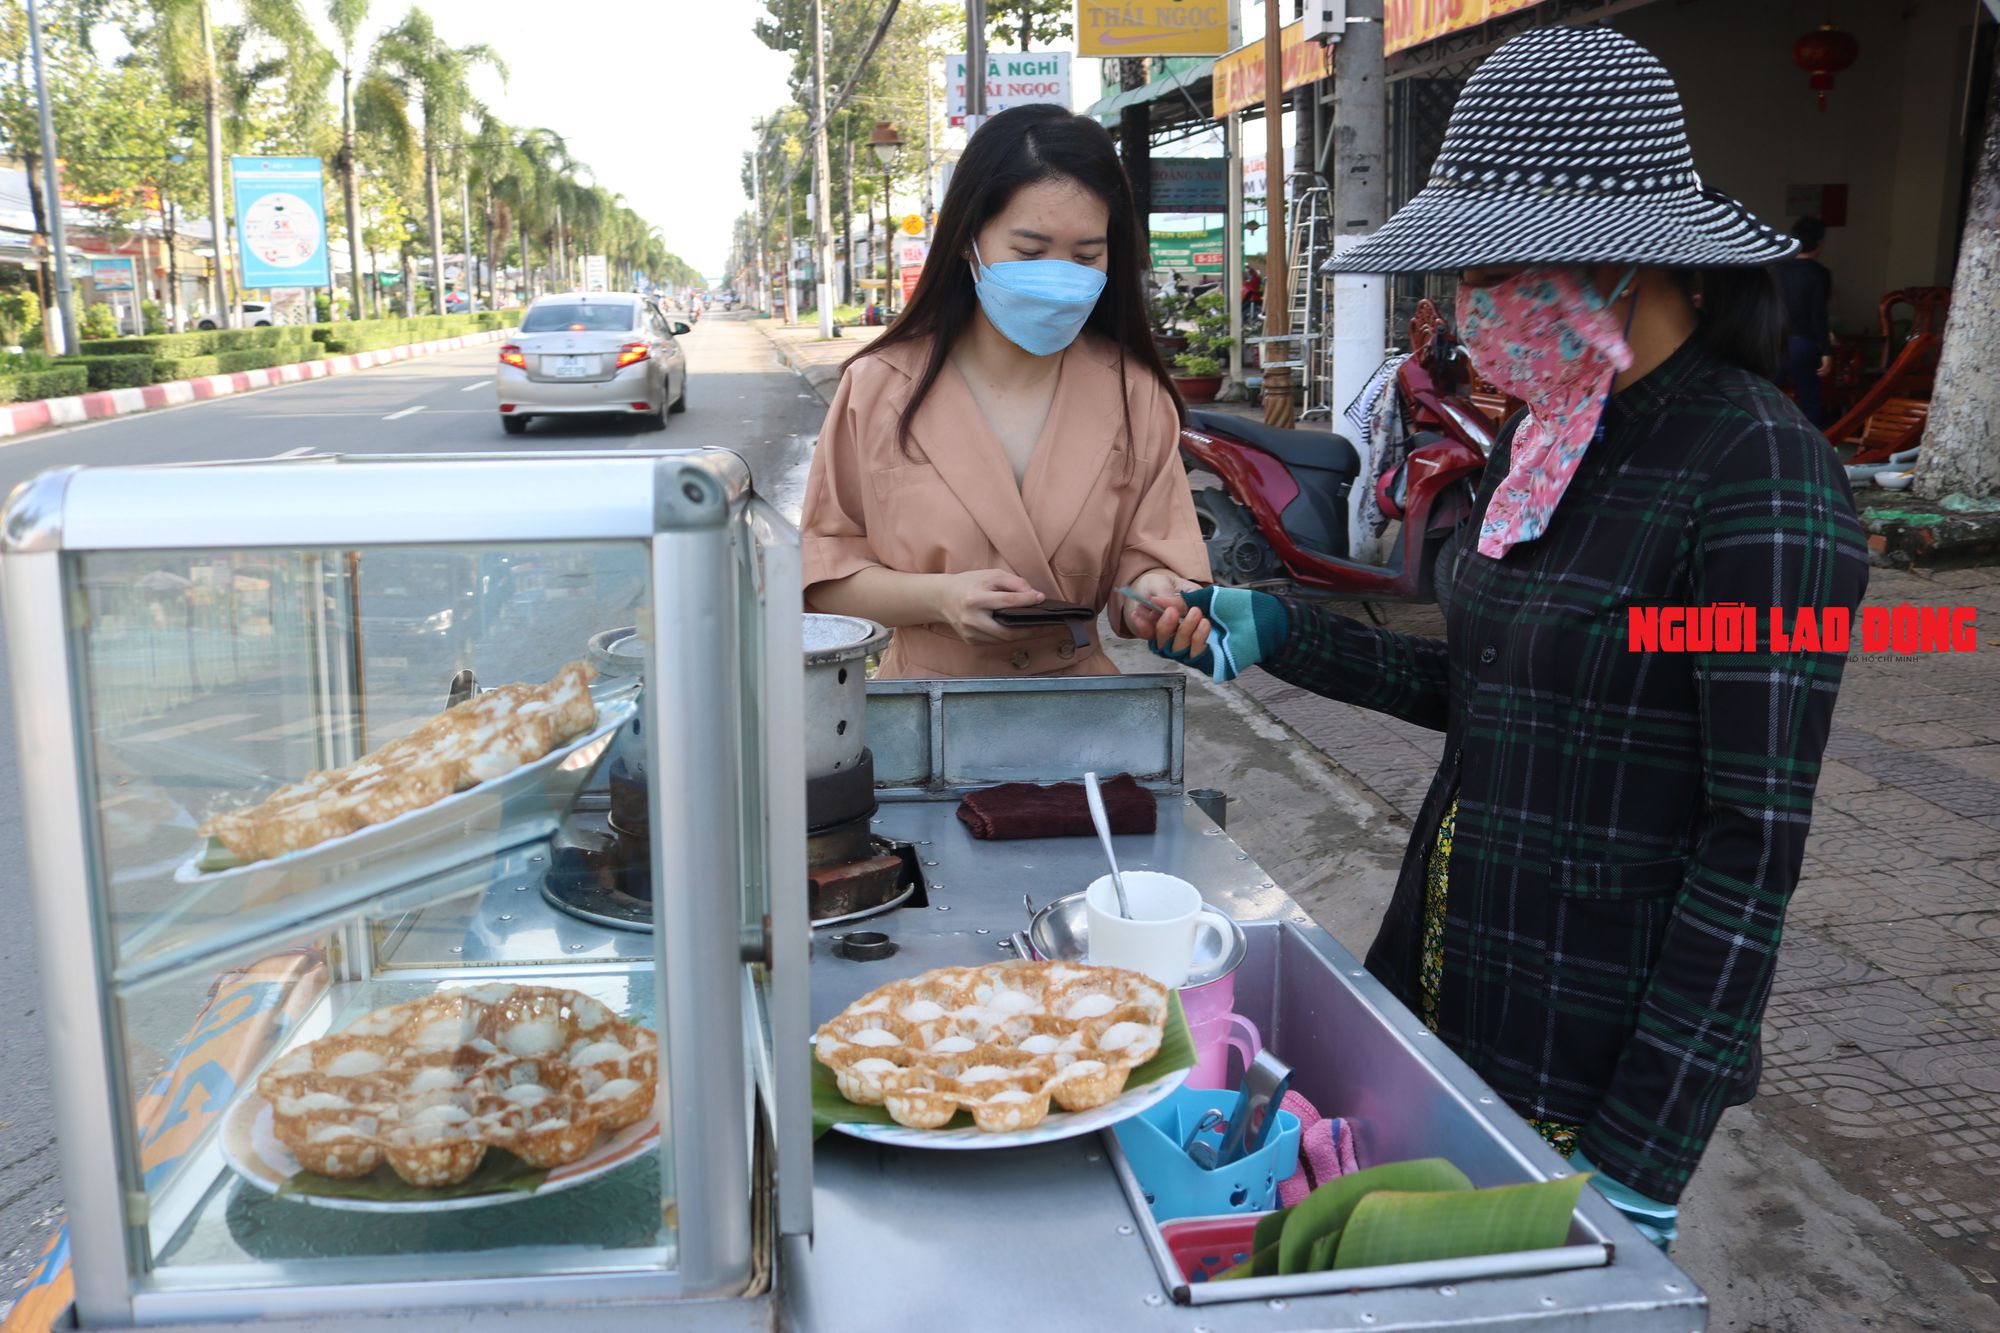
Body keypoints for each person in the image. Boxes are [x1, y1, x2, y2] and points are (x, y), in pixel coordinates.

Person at [1148, 26, 1867, 1250]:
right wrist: (1279, 632)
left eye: (1489, 270)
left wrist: (1645, 1146)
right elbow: (1500, 691)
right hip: (1452, 971)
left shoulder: (1758, 476)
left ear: (1617, 269)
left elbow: (1750, 843)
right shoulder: (1551, 434)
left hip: (1592, 1044)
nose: (1464, 306)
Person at [800, 103, 1209, 678]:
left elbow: (1150, 563)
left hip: (1086, 720)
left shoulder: (1135, 393)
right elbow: (822, 572)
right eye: (1030, 252)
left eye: (1087, 255)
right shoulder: (879, 387)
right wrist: (937, 598)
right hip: (923, 715)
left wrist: (1159, 596)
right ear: (969, 239)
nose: (1061, 275)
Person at [1774, 216, 1834, 425]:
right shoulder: (1819, 274)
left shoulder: (1776, 270)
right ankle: (1812, 449)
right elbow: (1818, 314)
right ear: (1819, 243)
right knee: (1809, 402)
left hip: (1773, 341)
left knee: (1764, 398)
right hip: (1802, 344)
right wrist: (1826, 350)